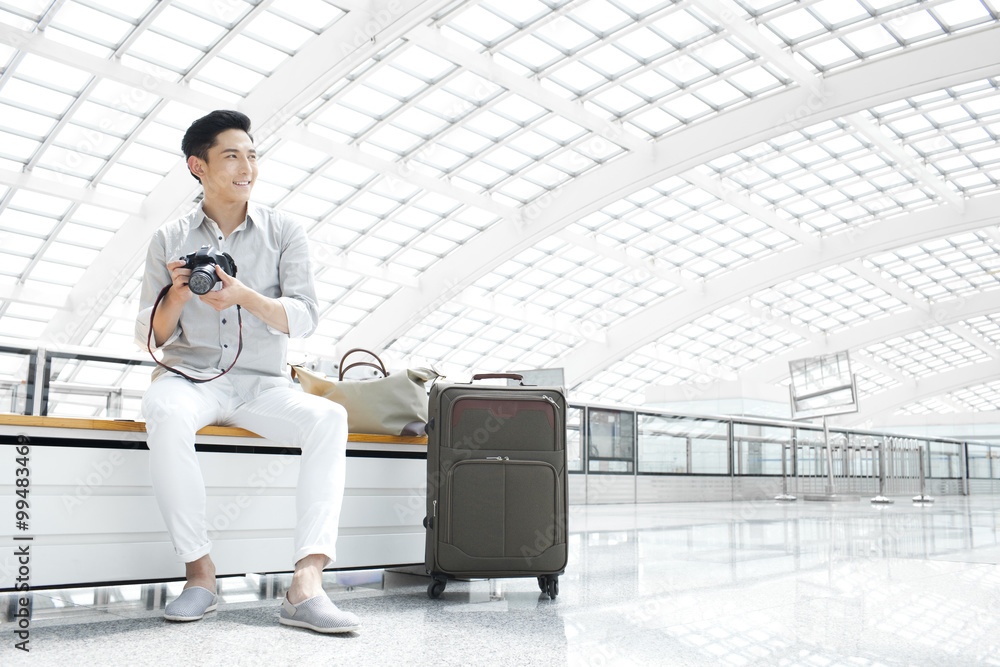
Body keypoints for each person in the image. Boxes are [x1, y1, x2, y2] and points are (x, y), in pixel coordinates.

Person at [134, 110, 359, 634]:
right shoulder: (168, 238)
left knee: (328, 418)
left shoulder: (284, 230)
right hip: (191, 377)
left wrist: (244, 297)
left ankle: (307, 584)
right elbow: (151, 335)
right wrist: (179, 292)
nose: (247, 166)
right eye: (231, 155)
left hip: (264, 384)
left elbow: (304, 316)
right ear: (198, 165)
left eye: (252, 155)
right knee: (163, 409)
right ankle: (200, 576)